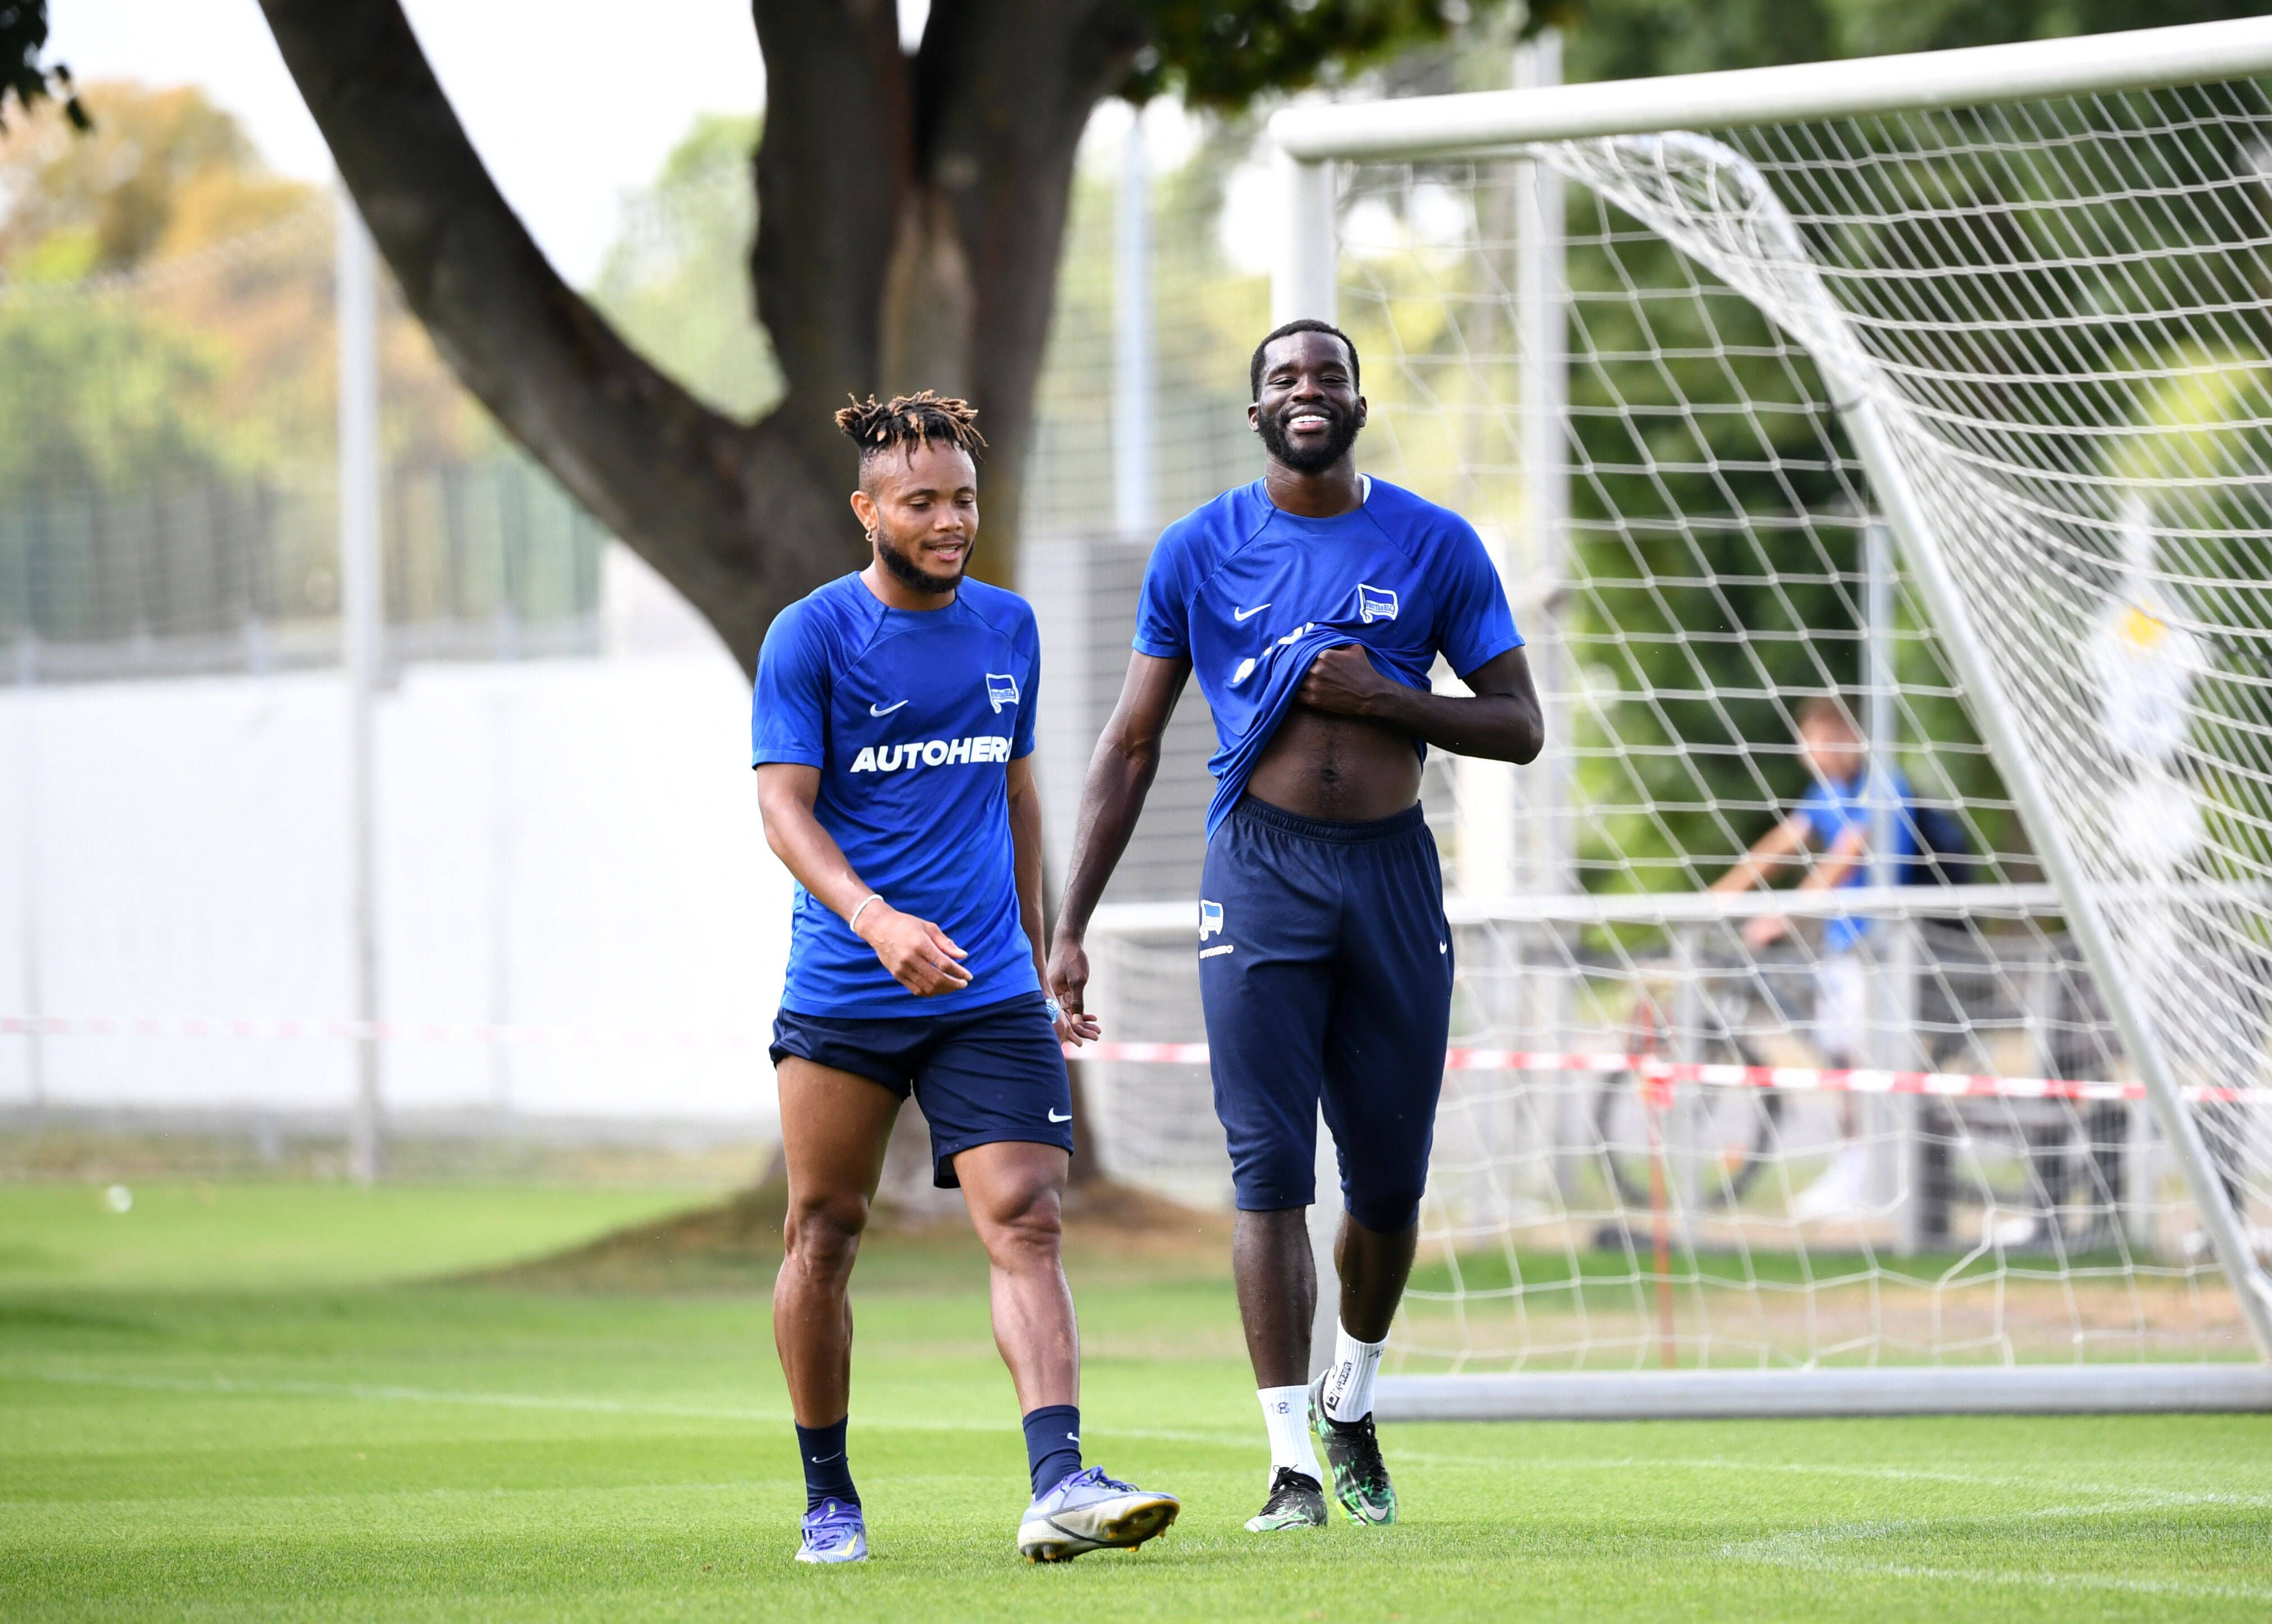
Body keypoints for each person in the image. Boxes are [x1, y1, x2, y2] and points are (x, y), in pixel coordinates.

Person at [1046, 322, 1542, 1532]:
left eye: (1326, 376)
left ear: (1358, 405)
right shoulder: (1198, 548)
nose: (1305, 392)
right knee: (1264, 1166)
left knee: (1385, 1180)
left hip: (1388, 875)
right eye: (1283, 379)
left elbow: (1520, 724)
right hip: (1256, 873)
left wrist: (1392, 698)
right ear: (1255, 411)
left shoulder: (1435, 542)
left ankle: (1352, 1395)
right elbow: (1128, 744)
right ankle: (1288, 1468)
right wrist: (1068, 926)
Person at [751, 392, 1178, 1564]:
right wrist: (875, 918)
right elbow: (781, 808)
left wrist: (1047, 945)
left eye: (964, 501)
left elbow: (1018, 789)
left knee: (1028, 1216)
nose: (951, 522)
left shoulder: (1010, 628)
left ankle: (1057, 1482)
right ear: (867, 511)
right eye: (924, 502)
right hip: (847, 987)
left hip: (987, 989)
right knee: (825, 1230)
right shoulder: (811, 637)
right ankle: (828, 1496)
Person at [1708, 694, 1918, 1220]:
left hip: (1893, 950)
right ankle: (1853, 1168)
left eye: (1825, 740)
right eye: (1809, 742)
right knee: (1841, 1059)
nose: (1815, 753)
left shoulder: (1881, 785)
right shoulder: (1827, 792)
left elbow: (1845, 856)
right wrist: (1715, 898)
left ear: (1850, 738)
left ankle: (1879, 1178)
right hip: (1847, 949)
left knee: (1867, 1061)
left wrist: (1783, 916)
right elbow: (1778, 847)